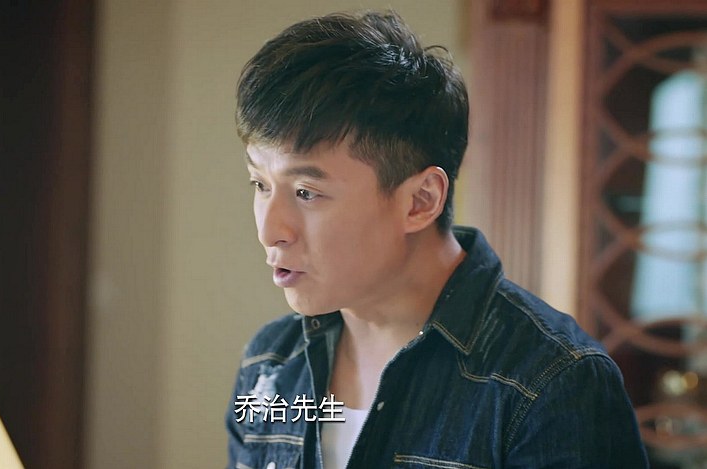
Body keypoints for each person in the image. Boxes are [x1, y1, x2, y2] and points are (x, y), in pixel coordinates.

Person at [225, 10, 648, 469]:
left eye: (306, 192)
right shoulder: (270, 362)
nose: (270, 231)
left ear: (420, 201)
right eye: (260, 184)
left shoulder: (552, 381)